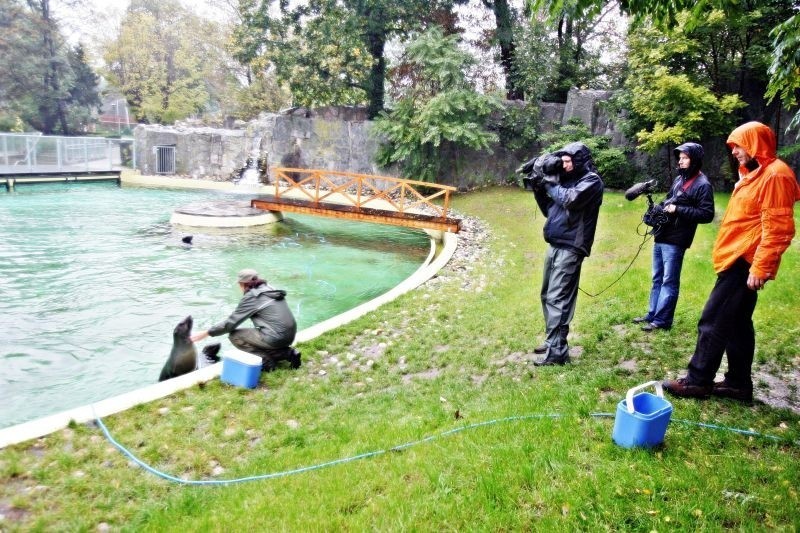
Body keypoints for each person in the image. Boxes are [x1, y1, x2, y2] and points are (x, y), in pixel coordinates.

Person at [663, 121, 800, 401]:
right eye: (733, 145)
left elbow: (777, 227)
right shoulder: (755, 175)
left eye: (739, 145)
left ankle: (697, 380)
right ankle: (738, 383)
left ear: (755, 145)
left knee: (712, 320)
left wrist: (760, 267)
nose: (735, 151)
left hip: (745, 260)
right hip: (737, 257)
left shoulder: (775, 175)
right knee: (737, 323)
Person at [530, 142, 604, 366]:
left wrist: (550, 183)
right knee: (547, 295)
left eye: (569, 160)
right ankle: (553, 341)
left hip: (572, 246)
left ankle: (557, 353)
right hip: (555, 243)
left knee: (558, 299)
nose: (565, 164)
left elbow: (570, 200)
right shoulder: (565, 180)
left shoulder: (591, 181)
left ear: (581, 160)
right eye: (562, 160)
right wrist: (539, 188)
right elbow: (549, 209)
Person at [633, 142, 715, 331]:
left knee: (669, 280)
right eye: (680, 158)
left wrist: (678, 209)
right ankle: (652, 314)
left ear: (694, 160)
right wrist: (657, 209)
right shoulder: (679, 179)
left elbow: (706, 214)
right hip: (662, 234)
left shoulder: (703, 185)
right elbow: (669, 199)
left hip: (677, 239)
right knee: (657, 277)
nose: (681, 161)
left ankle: (662, 321)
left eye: (685, 158)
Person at [191, 268, 301, 371]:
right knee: (256, 337)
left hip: (276, 337)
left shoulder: (252, 296)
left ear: (242, 284)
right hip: (290, 334)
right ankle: (288, 354)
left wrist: (207, 332)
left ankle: (267, 362)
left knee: (235, 336)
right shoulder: (270, 289)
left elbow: (230, 324)